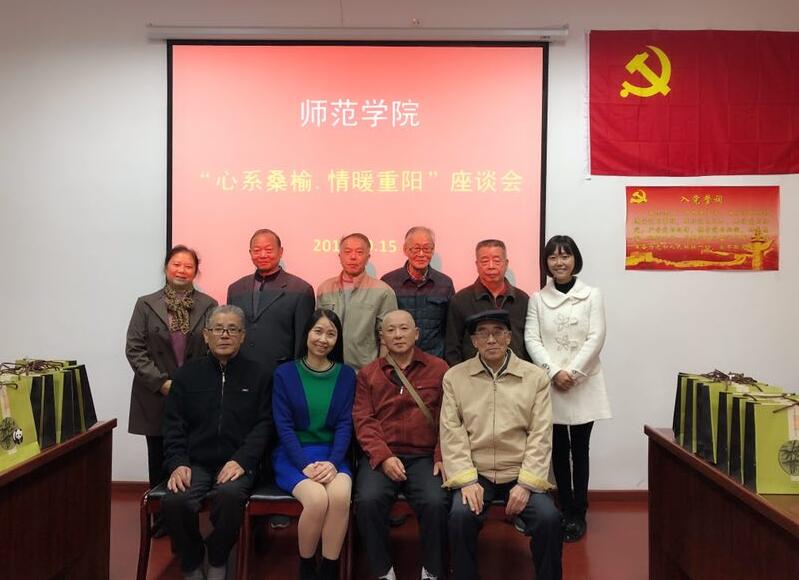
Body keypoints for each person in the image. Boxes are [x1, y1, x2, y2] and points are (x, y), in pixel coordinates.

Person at [441, 310, 562, 580]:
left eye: (497, 332)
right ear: (474, 341)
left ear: (509, 337)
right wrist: (467, 480)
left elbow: (541, 434)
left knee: (549, 519)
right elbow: (452, 432)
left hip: (520, 471)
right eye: (483, 334)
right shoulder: (455, 377)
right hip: (477, 472)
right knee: (460, 517)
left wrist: (526, 484)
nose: (491, 339)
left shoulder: (534, 377)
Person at [161, 305, 272, 580]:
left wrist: (242, 460)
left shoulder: (260, 375)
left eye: (232, 329)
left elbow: (265, 424)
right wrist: (178, 463)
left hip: (237, 462)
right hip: (195, 462)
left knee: (230, 496)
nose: (225, 335)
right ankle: (191, 560)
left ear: (242, 336)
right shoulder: (186, 376)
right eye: (218, 329)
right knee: (176, 500)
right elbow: (173, 425)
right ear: (206, 335)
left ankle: (218, 555)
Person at [125, 245, 217, 537]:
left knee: (191, 453)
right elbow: (135, 349)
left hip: (193, 394)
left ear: (196, 272)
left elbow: (214, 348)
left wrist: (192, 385)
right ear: (166, 268)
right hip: (155, 394)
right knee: (158, 454)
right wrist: (162, 383)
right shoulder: (146, 304)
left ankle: (187, 510)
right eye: (176, 264)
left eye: (188, 266)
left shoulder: (209, 304)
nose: (181, 270)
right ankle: (162, 517)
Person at [524, 235, 611, 542]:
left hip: (583, 383)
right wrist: (553, 372)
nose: (559, 262)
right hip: (552, 384)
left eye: (565, 256)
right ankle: (564, 508)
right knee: (558, 450)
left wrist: (572, 373)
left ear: (575, 259)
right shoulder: (537, 299)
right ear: (546, 262)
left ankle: (579, 511)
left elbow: (596, 336)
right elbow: (532, 338)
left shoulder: (592, 295)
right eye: (553, 257)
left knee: (581, 449)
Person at [353, 310, 449, 580]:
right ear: (382, 337)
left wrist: (440, 455)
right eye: (391, 330)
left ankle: (432, 572)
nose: (397, 335)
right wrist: (383, 457)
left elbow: (449, 419)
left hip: (425, 456)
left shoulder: (439, 369)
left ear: (416, 333)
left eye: (404, 329)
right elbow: (363, 420)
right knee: (368, 501)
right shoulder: (368, 374)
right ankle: (384, 572)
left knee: (436, 502)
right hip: (382, 455)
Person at [272, 309, 356, 580]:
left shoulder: (347, 375)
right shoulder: (284, 373)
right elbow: (283, 426)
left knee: (340, 496)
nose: (323, 339)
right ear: (307, 334)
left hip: (333, 455)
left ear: (337, 339)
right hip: (293, 455)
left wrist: (333, 462)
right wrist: (304, 464)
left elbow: (345, 425)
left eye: (331, 334)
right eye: (317, 331)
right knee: (317, 500)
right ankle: (307, 566)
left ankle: (329, 570)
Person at [227, 228, 316, 368]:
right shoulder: (235, 289)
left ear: (281, 252)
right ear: (250, 253)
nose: (263, 255)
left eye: (269, 250)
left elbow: (302, 342)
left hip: (281, 371)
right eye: (257, 250)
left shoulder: (301, 290)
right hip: (240, 369)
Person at [317, 233, 398, 370]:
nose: (353, 257)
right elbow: (317, 331)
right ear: (340, 256)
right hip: (328, 369)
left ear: (368, 257)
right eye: (347, 252)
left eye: (359, 252)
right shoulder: (325, 288)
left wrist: (380, 371)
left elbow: (388, 337)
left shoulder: (383, 291)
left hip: (365, 372)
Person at [444, 239, 530, 366]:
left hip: (516, 374)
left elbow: (529, 344)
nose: (491, 266)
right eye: (484, 261)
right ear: (477, 265)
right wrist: (460, 375)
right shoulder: (460, 300)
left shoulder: (522, 299)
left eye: (497, 261)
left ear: (506, 263)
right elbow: (452, 348)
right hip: (473, 375)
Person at [381, 227, 454, 359]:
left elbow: (450, 328)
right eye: (415, 249)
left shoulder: (445, 283)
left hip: (434, 359)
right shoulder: (389, 281)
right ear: (405, 250)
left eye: (426, 249)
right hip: (397, 359)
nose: (421, 254)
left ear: (433, 250)